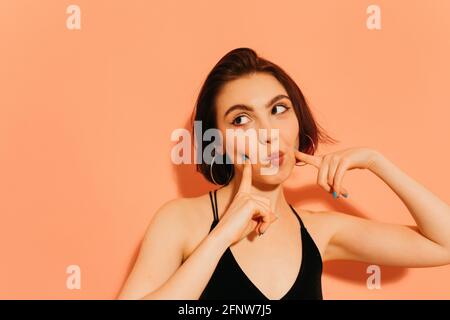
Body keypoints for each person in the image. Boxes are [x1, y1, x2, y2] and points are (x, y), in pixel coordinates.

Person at [117, 48, 450, 300]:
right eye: (241, 119)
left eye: (278, 110)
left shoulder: (320, 232)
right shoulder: (181, 220)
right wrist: (220, 237)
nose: (268, 132)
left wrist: (378, 163)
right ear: (215, 141)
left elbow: (444, 245)